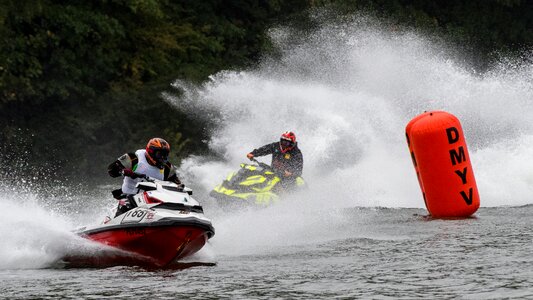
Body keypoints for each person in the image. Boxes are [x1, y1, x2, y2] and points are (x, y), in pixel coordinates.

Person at [107, 137, 182, 216]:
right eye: (160, 154)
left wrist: (181, 189)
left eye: (165, 155)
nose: (162, 158)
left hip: (154, 201)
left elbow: (177, 186)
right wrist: (124, 171)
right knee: (125, 207)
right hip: (128, 197)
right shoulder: (133, 158)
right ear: (151, 151)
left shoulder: (167, 168)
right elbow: (111, 170)